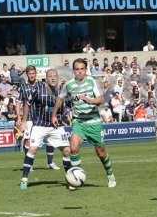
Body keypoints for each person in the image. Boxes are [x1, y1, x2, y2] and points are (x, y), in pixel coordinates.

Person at [52, 58, 116, 188]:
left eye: (82, 69)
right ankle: (76, 178)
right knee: (73, 148)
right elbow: (60, 98)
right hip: (78, 122)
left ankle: (110, 175)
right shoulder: (69, 85)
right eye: (77, 69)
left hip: (93, 121)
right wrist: (54, 115)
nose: (79, 72)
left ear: (85, 70)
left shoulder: (92, 81)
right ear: (73, 71)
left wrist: (89, 100)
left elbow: (101, 100)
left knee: (101, 152)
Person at [19, 69, 72, 190]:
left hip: (56, 126)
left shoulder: (62, 91)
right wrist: (23, 121)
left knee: (67, 151)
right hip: (40, 125)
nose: (53, 78)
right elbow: (27, 103)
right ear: (46, 79)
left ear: (58, 78)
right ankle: (24, 179)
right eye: (50, 76)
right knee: (32, 149)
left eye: (55, 76)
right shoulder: (38, 89)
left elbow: (67, 105)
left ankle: (70, 178)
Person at [17, 66, 59, 171]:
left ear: (36, 74)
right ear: (27, 74)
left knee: (50, 141)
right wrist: (20, 118)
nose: (32, 75)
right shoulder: (23, 87)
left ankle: (50, 162)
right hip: (30, 118)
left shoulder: (41, 85)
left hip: (42, 117)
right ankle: (29, 164)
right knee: (27, 141)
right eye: (30, 73)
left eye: (33, 73)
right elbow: (19, 103)